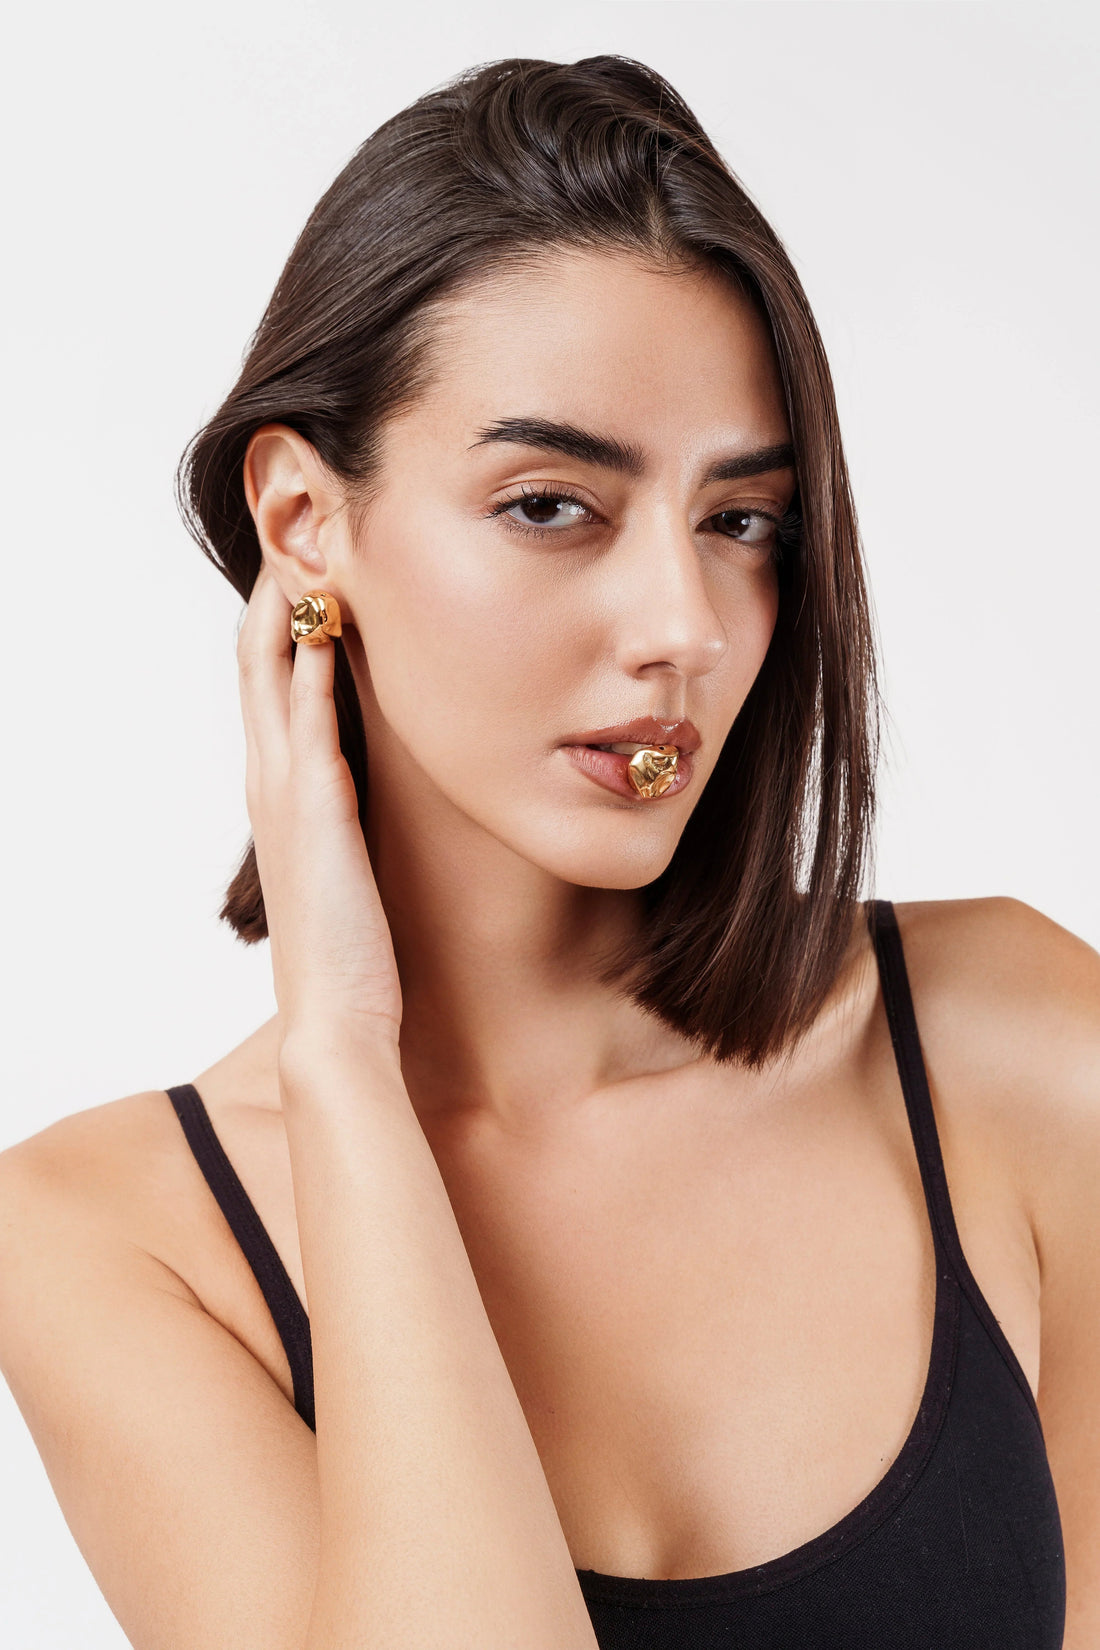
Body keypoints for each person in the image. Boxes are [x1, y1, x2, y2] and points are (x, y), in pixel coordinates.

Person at [0, 51, 1094, 1650]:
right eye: (551, 504)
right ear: (306, 522)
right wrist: (346, 1069)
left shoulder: (1025, 1050)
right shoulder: (109, 1240)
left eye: (742, 522)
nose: (683, 629)